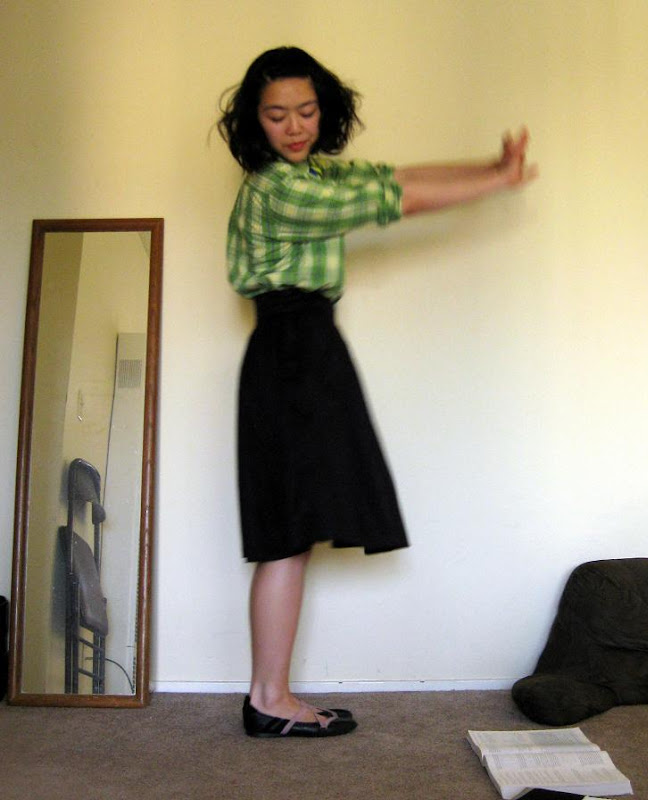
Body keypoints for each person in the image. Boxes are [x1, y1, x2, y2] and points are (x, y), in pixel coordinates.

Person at [218, 46, 536, 739]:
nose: (295, 127)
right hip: (291, 352)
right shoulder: (278, 190)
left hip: (305, 349)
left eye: (307, 111)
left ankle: (269, 696)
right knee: (285, 533)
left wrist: (489, 166)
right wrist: (497, 183)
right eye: (277, 115)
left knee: (291, 531)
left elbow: (395, 176)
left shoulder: (313, 173)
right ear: (254, 122)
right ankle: (268, 699)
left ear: (324, 110)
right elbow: (399, 200)